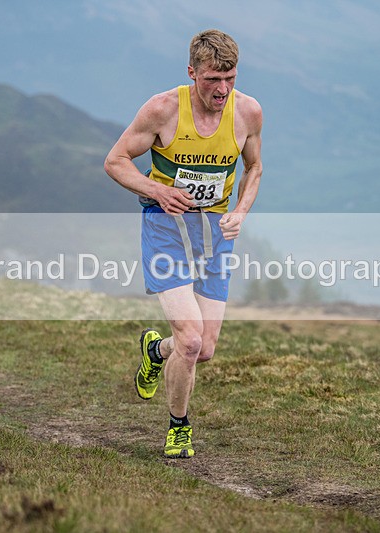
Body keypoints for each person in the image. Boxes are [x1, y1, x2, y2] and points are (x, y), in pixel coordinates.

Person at [104, 29, 263, 458]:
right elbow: (115, 161)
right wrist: (156, 191)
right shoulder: (162, 110)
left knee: (205, 349)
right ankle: (179, 427)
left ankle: (156, 350)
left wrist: (240, 212)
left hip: (214, 233)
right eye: (213, 78)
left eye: (229, 77)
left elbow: (255, 169)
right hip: (165, 226)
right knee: (191, 341)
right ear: (192, 73)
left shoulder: (248, 112)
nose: (222, 89)